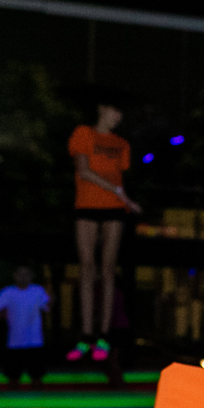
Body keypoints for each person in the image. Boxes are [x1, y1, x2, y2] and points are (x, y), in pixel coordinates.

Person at [66, 96, 142, 363]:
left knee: (108, 269)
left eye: (121, 111)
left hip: (114, 209)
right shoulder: (83, 133)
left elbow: (118, 173)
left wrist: (121, 198)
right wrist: (121, 194)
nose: (118, 116)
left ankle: (104, 335)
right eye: (115, 109)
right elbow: (84, 171)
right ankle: (86, 333)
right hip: (87, 205)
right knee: (87, 267)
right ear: (100, 108)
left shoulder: (122, 144)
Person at [0, 266, 51, 390]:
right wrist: (1, 315)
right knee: (13, 379)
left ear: (32, 276)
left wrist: (51, 298)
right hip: (14, 341)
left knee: (37, 378)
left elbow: (47, 306)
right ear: (15, 275)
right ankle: (12, 406)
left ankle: (39, 405)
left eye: (26, 273)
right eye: (20, 273)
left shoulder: (38, 290)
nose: (23, 277)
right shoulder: (8, 292)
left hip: (35, 340)